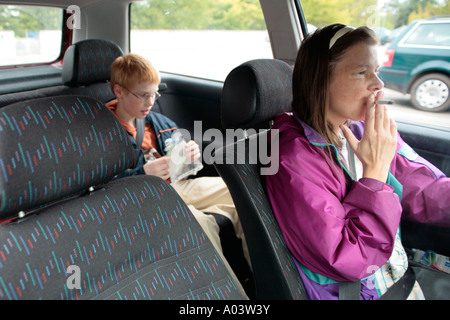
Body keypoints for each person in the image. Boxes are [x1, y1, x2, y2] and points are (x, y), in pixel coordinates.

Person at [264, 24, 450, 300]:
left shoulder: (362, 129)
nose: (378, 85)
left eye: (377, 71)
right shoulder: (292, 156)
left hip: (393, 276)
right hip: (355, 290)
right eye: (362, 72)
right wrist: (374, 175)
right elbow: (349, 257)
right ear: (320, 79)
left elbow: (422, 187)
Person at [106, 53, 249, 296]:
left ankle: (265, 278)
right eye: (143, 95)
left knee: (242, 193)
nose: (150, 101)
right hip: (142, 201)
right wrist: (142, 173)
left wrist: (190, 152)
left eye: (154, 94)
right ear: (119, 91)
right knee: (199, 221)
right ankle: (233, 295)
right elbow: (96, 185)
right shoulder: (100, 131)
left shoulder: (156, 120)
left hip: (177, 187)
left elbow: (177, 147)